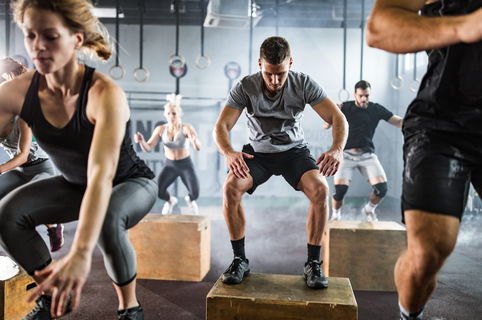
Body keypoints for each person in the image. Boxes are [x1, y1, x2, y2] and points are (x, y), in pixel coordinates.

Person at [0, 1, 158, 319]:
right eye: (31, 35)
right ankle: (53, 294)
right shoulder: (15, 92)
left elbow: (101, 175)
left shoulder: (104, 94)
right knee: (8, 214)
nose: (38, 47)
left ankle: (130, 308)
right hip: (76, 184)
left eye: (50, 36)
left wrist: (81, 253)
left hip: (129, 182)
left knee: (107, 218)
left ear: (77, 39)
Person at [366, 0, 482, 319]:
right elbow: (379, 27)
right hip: (441, 124)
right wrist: (465, 26)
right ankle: (410, 315)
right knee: (426, 256)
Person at [212, 36, 347, 289]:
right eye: (269, 74)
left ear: (290, 64)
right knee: (230, 187)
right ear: (260, 64)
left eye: (281, 74)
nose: (274, 81)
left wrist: (337, 149)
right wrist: (229, 152)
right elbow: (221, 125)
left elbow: (338, 118)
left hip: (293, 152)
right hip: (258, 154)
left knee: (321, 190)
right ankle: (240, 260)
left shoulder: (303, 83)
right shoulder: (245, 86)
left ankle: (313, 264)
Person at [0, 57, 64, 252]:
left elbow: (23, 156)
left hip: (39, 168)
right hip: (19, 171)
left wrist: (0, 169)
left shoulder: (23, 116)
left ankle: (53, 227)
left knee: (29, 202)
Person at [323, 80, 403, 221]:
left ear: (369, 95)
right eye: (360, 96)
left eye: (366, 95)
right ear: (355, 95)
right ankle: (335, 216)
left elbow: (398, 122)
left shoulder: (376, 109)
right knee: (340, 191)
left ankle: (368, 210)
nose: (363, 99)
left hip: (367, 155)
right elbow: (325, 126)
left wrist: (417, 121)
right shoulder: (345, 107)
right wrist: (333, 113)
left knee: (382, 189)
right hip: (346, 155)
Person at [134, 94, 202, 215]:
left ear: (179, 114)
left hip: (185, 165)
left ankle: (190, 201)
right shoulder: (160, 129)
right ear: (165, 114)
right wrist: (141, 141)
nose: (171, 116)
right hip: (170, 165)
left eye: (174, 113)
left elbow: (197, 147)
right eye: (169, 113)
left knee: (195, 193)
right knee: (159, 191)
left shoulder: (186, 128)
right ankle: (170, 201)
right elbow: (148, 147)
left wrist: (195, 140)